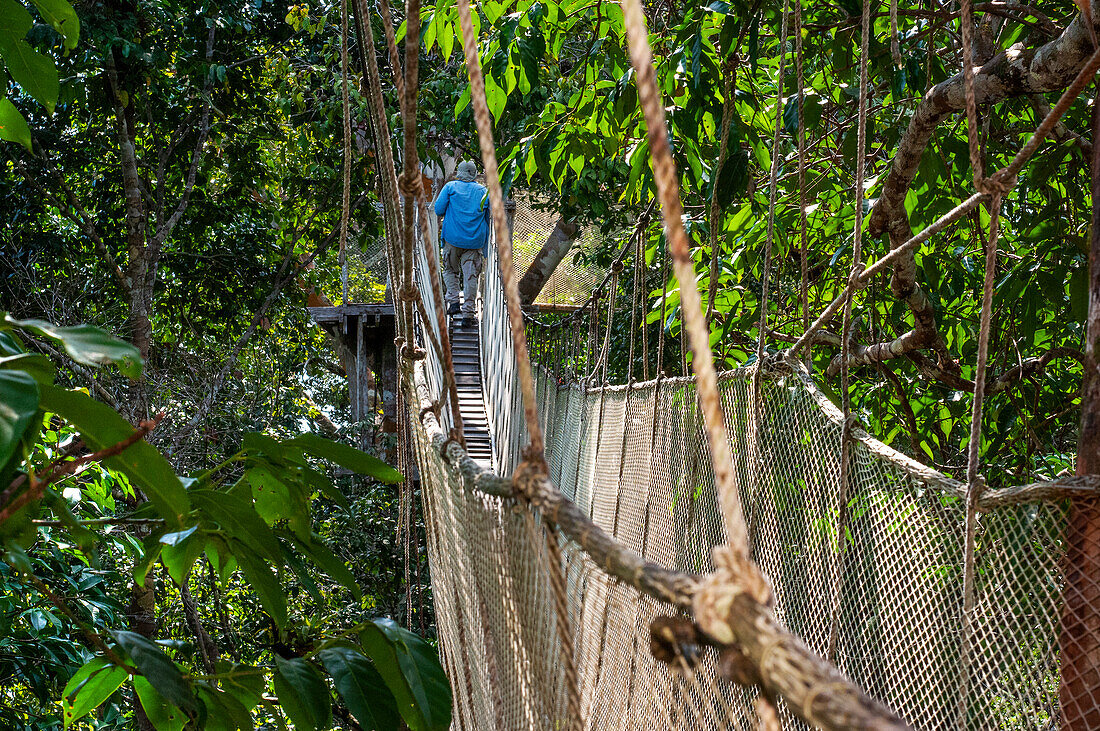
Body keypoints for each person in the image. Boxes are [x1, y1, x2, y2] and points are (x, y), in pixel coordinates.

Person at [433, 160, 490, 327]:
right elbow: (489, 215)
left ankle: (454, 303)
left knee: (450, 270)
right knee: (471, 276)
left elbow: (438, 209)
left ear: (459, 172)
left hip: (452, 239)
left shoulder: (450, 188)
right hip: (474, 242)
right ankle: (468, 314)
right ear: (473, 174)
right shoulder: (483, 191)